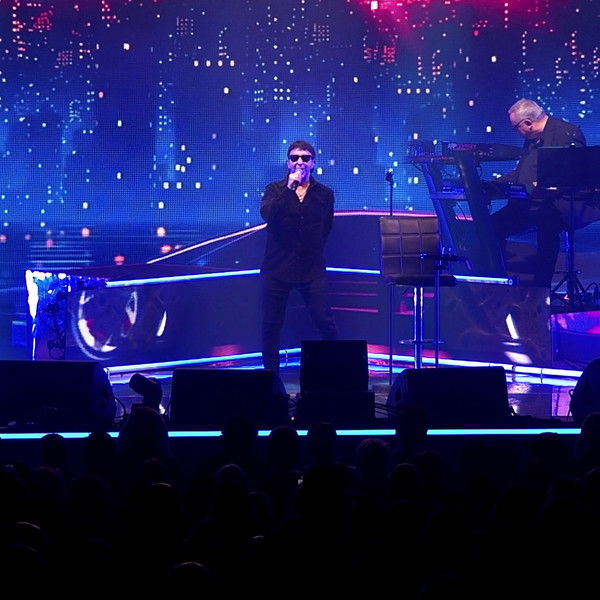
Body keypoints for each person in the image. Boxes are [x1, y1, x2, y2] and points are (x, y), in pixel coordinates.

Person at [260, 140, 337, 373]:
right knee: (271, 325)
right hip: (277, 268)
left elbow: (326, 228)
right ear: (288, 163)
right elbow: (268, 215)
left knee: (325, 322)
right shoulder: (275, 190)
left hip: (311, 269)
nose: (300, 162)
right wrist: (290, 188)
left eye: (305, 158)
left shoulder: (325, 194)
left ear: (313, 163)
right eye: (295, 158)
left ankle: (335, 375)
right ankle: (271, 381)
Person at [490, 98, 586, 287]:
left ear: (528, 123)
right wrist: (493, 185)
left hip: (561, 203)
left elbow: (576, 175)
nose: (517, 132)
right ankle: (497, 280)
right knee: (493, 225)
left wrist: (543, 185)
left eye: (516, 127)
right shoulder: (532, 139)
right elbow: (521, 173)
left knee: (547, 221)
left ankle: (540, 287)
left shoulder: (567, 134)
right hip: (531, 202)